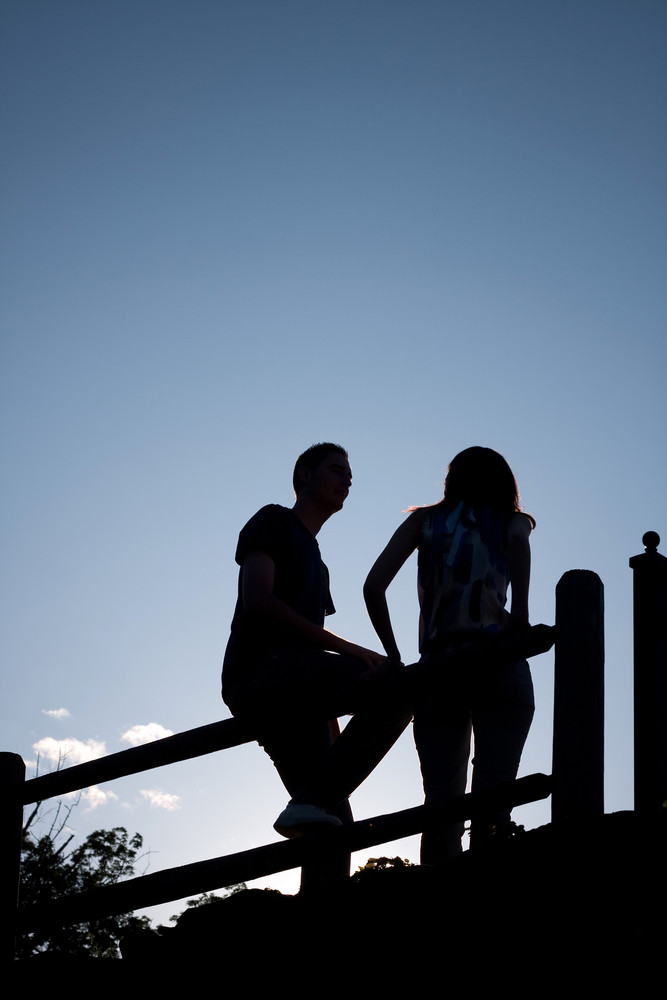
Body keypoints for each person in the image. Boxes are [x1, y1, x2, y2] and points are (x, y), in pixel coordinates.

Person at [221, 443, 411, 878]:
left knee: (333, 821)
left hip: (303, 693)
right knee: (399, 683)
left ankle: (316, 927)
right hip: (260, 674)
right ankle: (312, 799)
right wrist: (353, 651)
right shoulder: (273, 521)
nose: (347, 480)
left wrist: (334, 729)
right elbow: (259, 601)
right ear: (304, 475)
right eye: (337, 470)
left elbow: (312, 660)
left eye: (350, 475)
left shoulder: (320, 567)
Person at [364, 446, 552, 862]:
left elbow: (373, 585)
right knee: (495, 800)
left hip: (437, 669)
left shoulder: (424, 522)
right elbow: (519, 541)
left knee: (441, 807)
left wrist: (395, 657)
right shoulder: (510, 521)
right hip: (498, 659)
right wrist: (520, 614)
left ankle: (440, 906)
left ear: (451, 480)